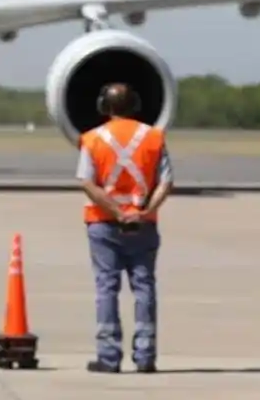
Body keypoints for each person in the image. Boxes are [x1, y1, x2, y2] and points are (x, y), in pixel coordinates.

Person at [76, 82, 173, 374]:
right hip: (143, 226)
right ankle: (145, 356)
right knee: (144, 287)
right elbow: (166, 181)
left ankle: (108, 356)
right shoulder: (154, 137)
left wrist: (116, 211)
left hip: (104, 224)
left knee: (107, 288)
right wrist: (145, 212)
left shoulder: (92, 139)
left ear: (105, 106)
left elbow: (86, 181)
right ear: (136, 104)